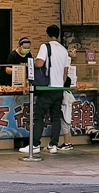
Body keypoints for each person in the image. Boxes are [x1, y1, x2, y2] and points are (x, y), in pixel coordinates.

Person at [20, 24, 70, 155]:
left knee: (38, 115)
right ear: (58, 35)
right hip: (59, 88)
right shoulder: (64, 50)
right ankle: (53, 145)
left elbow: (40, 63)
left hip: (47, 87)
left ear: (47, 34)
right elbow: (66, 72)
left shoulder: (45, 47)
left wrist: (35, 61)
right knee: (56, 117)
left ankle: (35, 144)